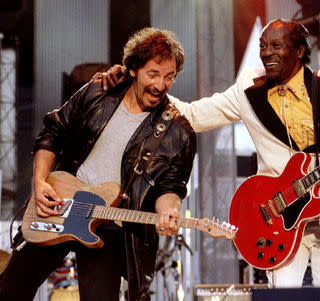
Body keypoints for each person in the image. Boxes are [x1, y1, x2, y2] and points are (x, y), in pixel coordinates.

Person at [100, 19, 320, 288]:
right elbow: (193, 114)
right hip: (273, 217)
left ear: (299, 51)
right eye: (262, 46)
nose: (267, 52)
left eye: (276, 45)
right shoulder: (248, 89)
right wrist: (135, 83)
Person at [0, 27, 196, 301]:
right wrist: (41, 181)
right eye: (153, 74)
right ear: (133, 69)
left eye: (169, 77)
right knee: (10, 289)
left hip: (111, 224)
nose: (160, 85)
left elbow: (171, 185)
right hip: (62, 203)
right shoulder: (98, 92)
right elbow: (53, 132)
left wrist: (170, 211)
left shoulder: (178, 131)